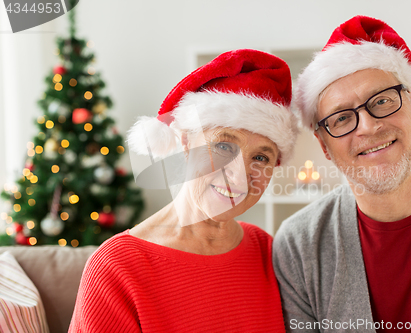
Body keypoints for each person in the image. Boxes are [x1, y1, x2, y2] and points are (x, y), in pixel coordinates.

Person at [273, 15, 411, 333]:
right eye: (340, 118)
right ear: (325, 147)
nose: (368, 126)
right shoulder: (299, 246)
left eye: (382, 101)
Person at [69, 49, 299, 332]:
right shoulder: (117, 266)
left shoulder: (268, 251)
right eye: (224, 146)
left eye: (260, 157)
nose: (238, 175)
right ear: (186, 143)